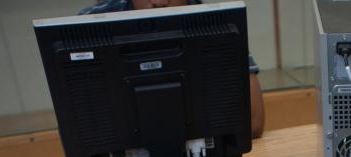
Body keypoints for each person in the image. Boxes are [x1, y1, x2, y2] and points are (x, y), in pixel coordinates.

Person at [79, 0, 265, 138]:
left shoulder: (214, 22)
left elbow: (253, 122)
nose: (159, 2)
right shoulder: (88, 25)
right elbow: (82, 130)